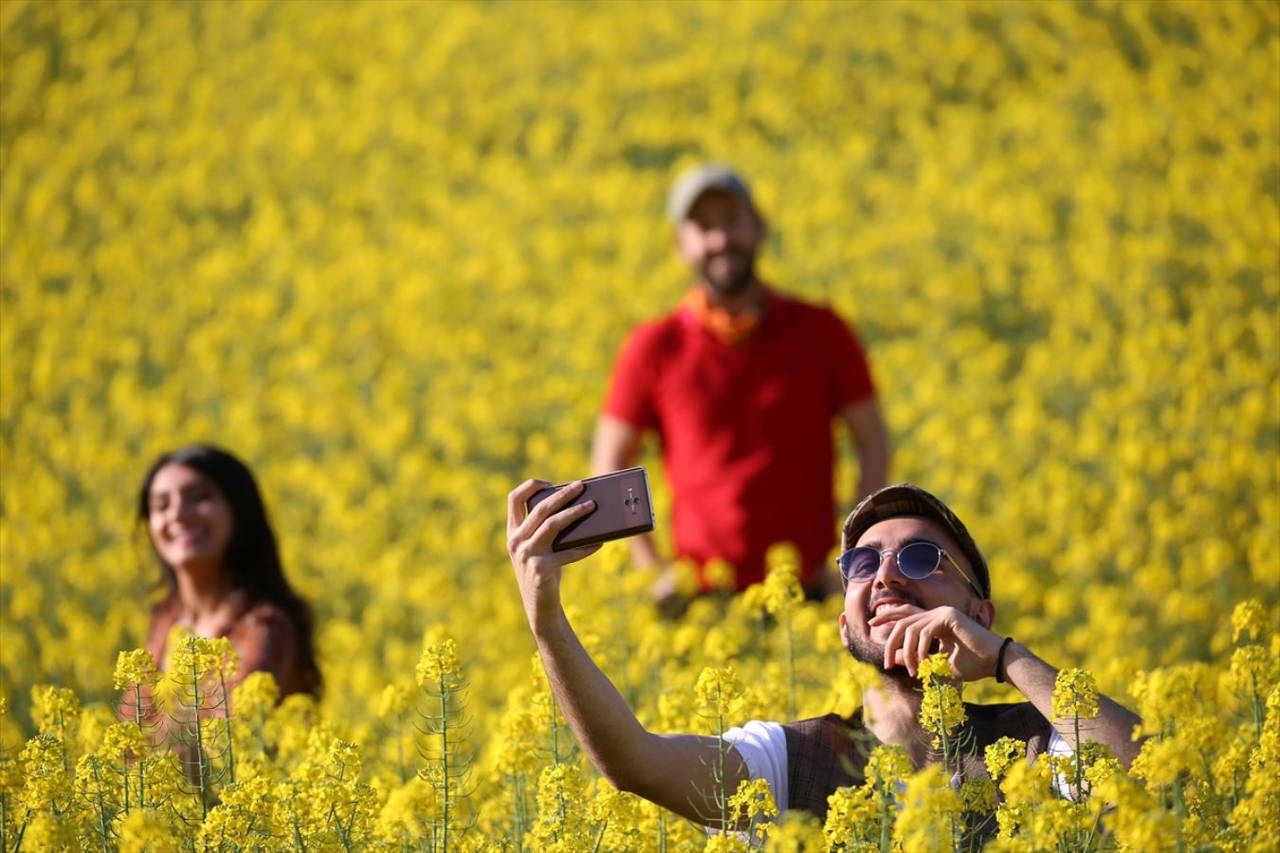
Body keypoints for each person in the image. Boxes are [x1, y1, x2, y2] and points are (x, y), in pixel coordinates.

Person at [505, 479, 1143, 830]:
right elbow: (637, 763)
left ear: (979, 615)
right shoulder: (792, 762)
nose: (886, 576)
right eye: (862, 564)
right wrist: (546, 621)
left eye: (921, 558)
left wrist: (1007, 660)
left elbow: (1158, 783)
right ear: (844, 626)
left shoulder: (1039, 744)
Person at [592, 163, 890, 602]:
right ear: (680, 245)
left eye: (732, 221)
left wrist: (853, 558)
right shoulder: (653, 346)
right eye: (703, 227)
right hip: (700, 599)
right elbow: (608, 464)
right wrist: (650, 570)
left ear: (759, 227)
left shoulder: (823, 331)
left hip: (812, 593)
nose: (720, 240)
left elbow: (874, 442)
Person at [126, 444, 322, 705]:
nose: (178, 514)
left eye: (199, 498)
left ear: (238, 510)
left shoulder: (264, 627)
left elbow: (230, 726)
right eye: (162, 505)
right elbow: (134, 721)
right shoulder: (166, 619)